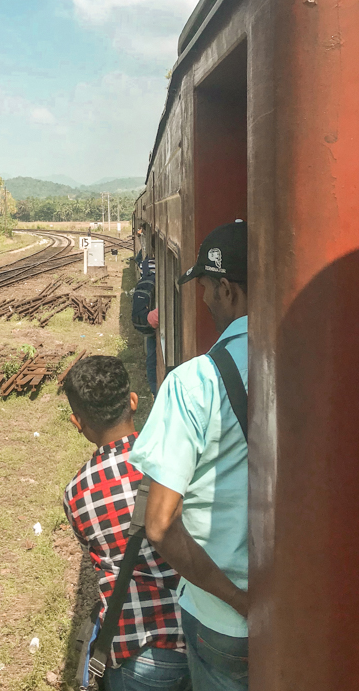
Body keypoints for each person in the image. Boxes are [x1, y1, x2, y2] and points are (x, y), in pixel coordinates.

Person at [129, 221, 249, 691]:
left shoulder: (192, 383)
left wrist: (240, 600)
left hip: (224, 619)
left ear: (226, 288)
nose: (202, 300)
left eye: (204, 288)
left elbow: (159, 524)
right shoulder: (311, 359)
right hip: (308, 606)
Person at [63, 355, 191, 690]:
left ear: (78, 422)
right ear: (133, 402)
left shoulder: (77, 493)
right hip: (201, 632)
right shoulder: (175, 456)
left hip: (138, 648)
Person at [131, 258, 160, 396]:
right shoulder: (157, 266)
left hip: (150, 328)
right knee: (153, 359)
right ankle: (155, 390)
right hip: (154, 324)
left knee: (151, 359)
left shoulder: (145, 262)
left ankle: (154, 389)